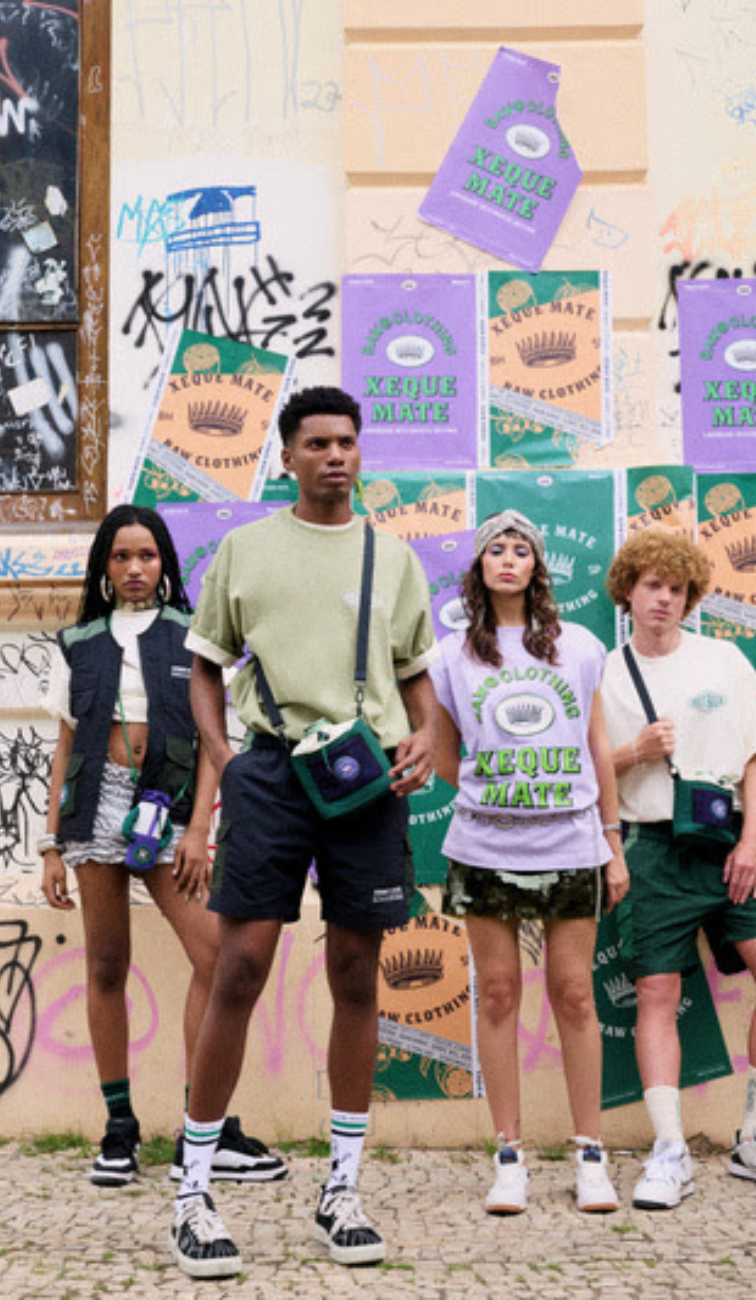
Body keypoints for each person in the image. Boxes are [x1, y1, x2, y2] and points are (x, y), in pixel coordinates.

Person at [170, 385, 438, 1278]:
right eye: (318, 443)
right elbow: (205, 669)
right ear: (286, 457)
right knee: (239, 965)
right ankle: (194, 1193)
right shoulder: (244, 551)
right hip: (275, 773)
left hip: (366, 779)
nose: (336, 456)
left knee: (358, 972)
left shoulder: (391, 557)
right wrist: (222, 755)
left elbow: (414, 681)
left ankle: (343, 1191)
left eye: (348, 442)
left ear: (362, 454)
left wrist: (429, 735)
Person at [41, 504, 286, 1190]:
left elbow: (218, 743)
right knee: (107, 963)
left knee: (216, 955)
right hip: (96, 805)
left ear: (166, 563)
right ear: (104, 567)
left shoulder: (194, 635)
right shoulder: (77, 642)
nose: (134, 569)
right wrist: (50, 846)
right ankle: (119, 1129)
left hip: (171, 808)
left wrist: (202, 830)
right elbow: (62, 748)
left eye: (146, 556)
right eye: (120, 557)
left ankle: (199, 1126)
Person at [601, 529, 756, 1210]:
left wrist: (753, 840)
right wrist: (633, 752)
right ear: (627, 592)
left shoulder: (723, 658)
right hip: (652, 845)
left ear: (690, 596)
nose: (664, 599)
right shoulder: (604, 672)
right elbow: (585, 774)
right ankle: (669, 1151)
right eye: (652, 586)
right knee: (657, 993)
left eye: (677, 588)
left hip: (728, 844)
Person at [431, 509, 628, 1217]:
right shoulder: (452, 654)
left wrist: (610, 838)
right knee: (501, 993)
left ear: (537, 568)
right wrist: (492, 795)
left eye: (521, 550)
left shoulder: (576, 646)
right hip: (485, 847)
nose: (508, 559)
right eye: (495, 550)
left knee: (575, 994)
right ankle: (508, 1154)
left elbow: (596, 745)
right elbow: (442, 748)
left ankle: (589, 1154)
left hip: (571, 843)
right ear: (479, 567)